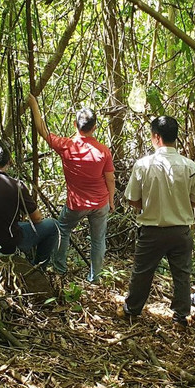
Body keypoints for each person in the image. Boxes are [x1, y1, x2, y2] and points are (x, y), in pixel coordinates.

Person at [119, 116, 195, 327]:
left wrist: (150, 205)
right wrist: (178, 205)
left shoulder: (143, 165)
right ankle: (180, 317)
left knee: (142, 272)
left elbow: (132, 199)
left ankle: (132, 311)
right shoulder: (189, 165)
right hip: (180, 231)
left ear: (156, 137)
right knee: (182, 274)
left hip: (152, 230)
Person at [28, 95, 115, 281]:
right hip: (100, 203)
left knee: (62, 229)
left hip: (77, 205)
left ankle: (60, 269)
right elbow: (110, 179)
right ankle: (95, 278)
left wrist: (34, 104)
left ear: (75, 126)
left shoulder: (67, 146)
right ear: (95, 128)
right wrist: (111, 201)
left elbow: (42, 130)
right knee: (98, 240)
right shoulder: (103, 150)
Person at [0, 139, 59, 266]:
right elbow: (37, 218)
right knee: (53, 225)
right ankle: (39, 267)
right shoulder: (16, 186)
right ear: (9, 161)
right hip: (5, 245)